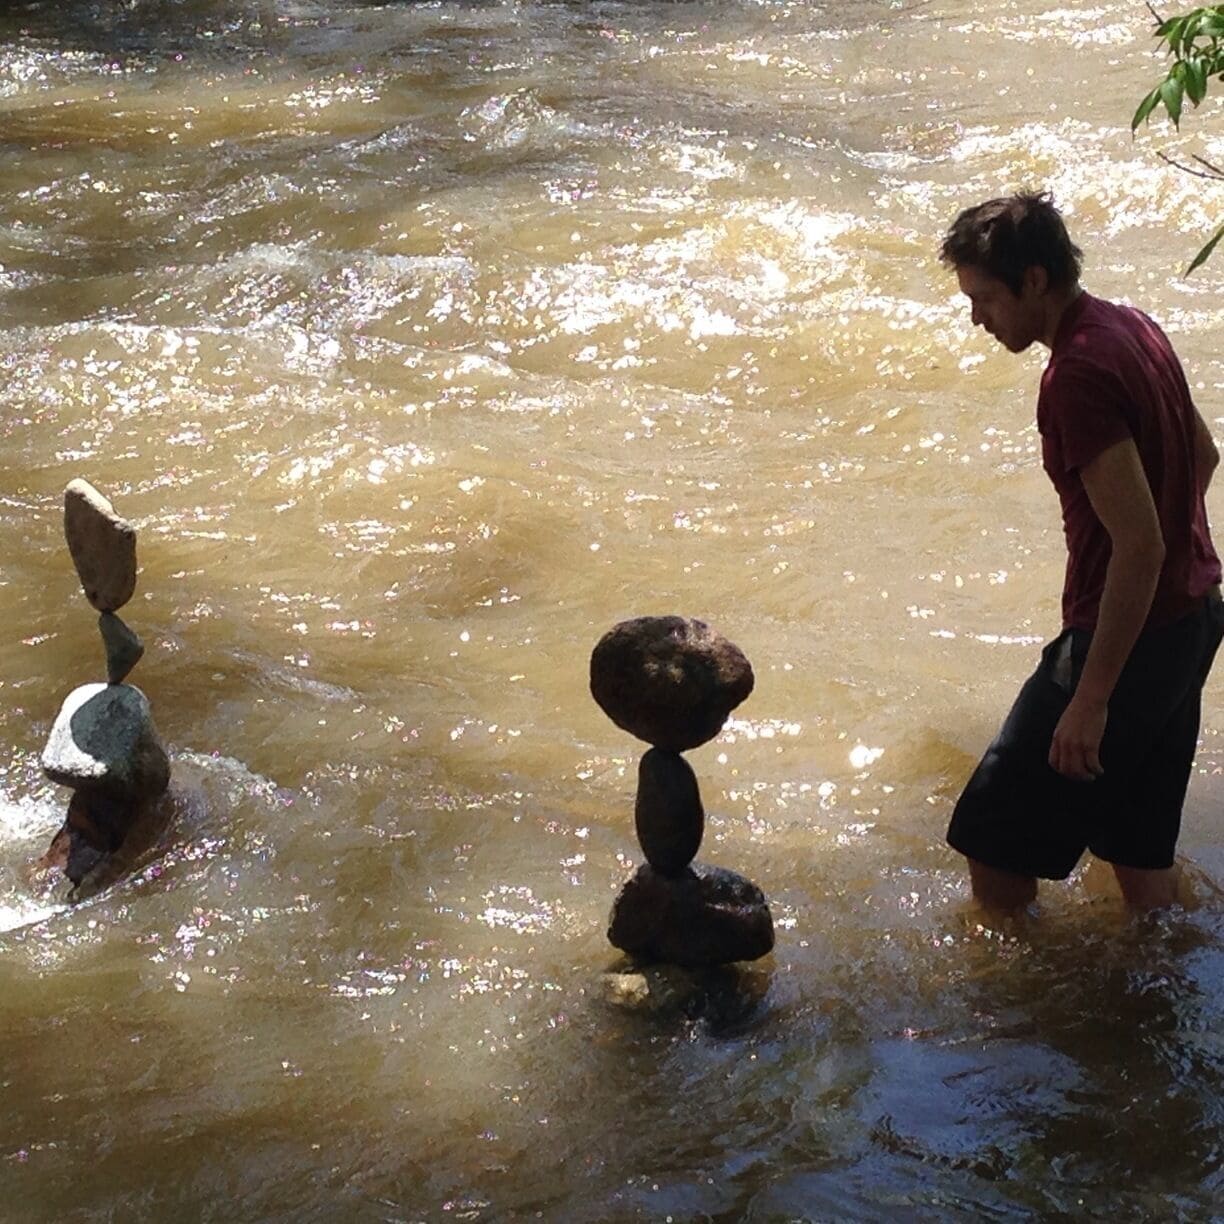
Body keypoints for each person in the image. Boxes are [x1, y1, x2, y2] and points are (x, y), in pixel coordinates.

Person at [939, 191, 1224, 913]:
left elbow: (1139, 547)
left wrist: (1092, 698)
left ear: (1034, 280)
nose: (977, 319)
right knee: (1137, 847)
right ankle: (1158, 975)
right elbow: (1203, 455)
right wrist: (1170, 563)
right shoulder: (1134, 326)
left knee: (992, 838)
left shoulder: (1076, 376)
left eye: (984, 299)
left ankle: (1019, 986)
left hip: (1130, 642)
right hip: (1193, 621)